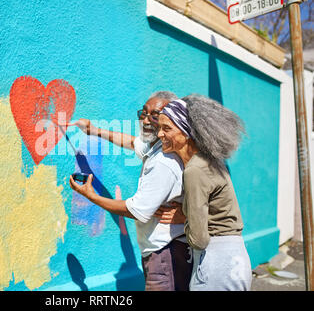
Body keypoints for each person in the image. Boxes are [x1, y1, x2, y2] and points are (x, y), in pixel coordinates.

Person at [68, 91, 193, 291]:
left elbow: (137, 210)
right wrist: (93, 130)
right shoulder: (158, 145)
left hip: (166, 253)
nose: (145, 120)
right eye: (143, 113)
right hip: (161, 251)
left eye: (155, 115)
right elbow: (130, 141)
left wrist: (91, 196)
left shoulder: (164, 161)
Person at [157, 94, 252, 291]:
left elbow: (199, 240)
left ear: (186, 132)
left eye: (167, 128)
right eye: (159, 128)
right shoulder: (210, 161)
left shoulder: (195, 171)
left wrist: (185, 220)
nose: (159, 134)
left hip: (216, 262)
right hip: (234, 259)